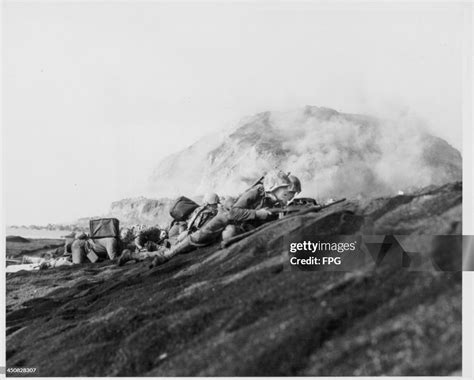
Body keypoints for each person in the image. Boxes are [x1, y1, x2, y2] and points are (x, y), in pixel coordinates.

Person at [150, 170, 301, 267]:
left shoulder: (272, 200)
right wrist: (257, 214)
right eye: (285, 191)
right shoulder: (256, 192)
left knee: (230, 234)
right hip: (224, 219)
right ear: (274, 187)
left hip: (239, 225)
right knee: (197, 238)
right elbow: (233, 212)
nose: (287, 196)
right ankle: (165, 256)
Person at [117, 193, 221, 266]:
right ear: (210, 204)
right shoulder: (207, 214)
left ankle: (140, 251)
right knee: (163, 254)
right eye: (215, 204)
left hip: (184, 236)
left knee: (164, 251)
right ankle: (131, 255)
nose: (216, 207)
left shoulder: (199, 211)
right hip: (186, 238)